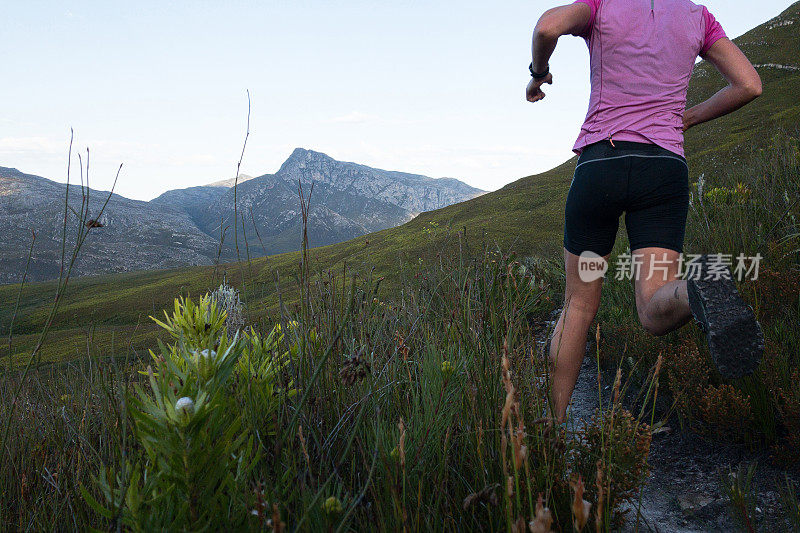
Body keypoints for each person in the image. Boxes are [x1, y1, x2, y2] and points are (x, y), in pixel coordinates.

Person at [526, 0, 765, 422]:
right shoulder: (697, 17)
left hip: (603, 163)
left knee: (579, 305)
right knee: (654, 304)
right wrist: (688, 118)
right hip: (663, 168)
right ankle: (697, 289)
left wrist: (538, 73)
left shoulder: (601, 6)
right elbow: (749, 84)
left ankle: (552, 428)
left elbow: (547, 27)